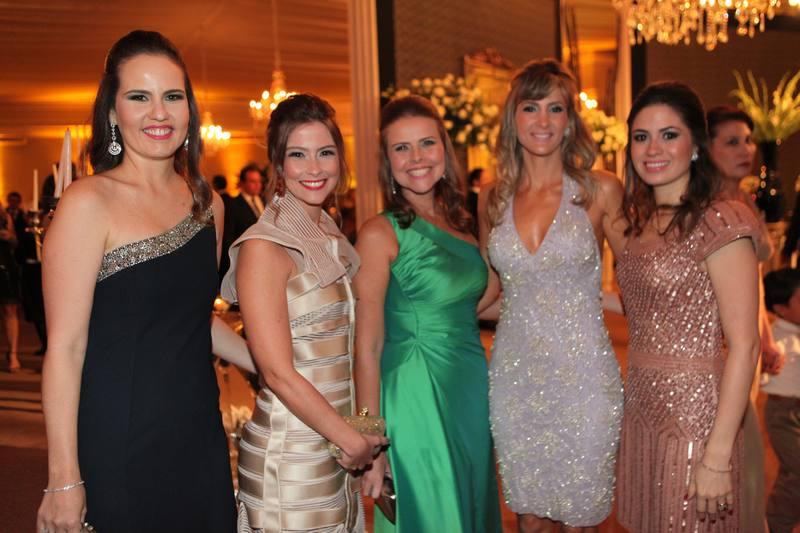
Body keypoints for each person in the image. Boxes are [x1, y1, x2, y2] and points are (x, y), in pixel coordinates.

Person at [36, 30, 254, 533]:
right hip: (118, 436)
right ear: (113, 112)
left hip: (198, 430)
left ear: (189, 109)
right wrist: (63, 478)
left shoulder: (209, 206)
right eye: (139, 96)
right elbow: (65, 348)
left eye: (172, 96)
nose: (160, 113)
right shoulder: (87, 202)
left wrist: (276, 367)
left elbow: (194, 320)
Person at [221, 93, 387, 532]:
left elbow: (348, 351)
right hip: (290, 460)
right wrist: (351, 439)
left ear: (341, 159)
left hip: (336, 447)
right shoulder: (264, 246)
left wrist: (365, 434)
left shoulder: (329, 232)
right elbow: (277, 373)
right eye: (298, 154)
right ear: (278, 163)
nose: (314, 168)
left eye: (325, 153)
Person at [481, 59, 624, 533]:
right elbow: (490, 291)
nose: (542, 120)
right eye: (530, 107)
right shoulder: (492, 197)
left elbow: (639, 277)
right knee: (530, 520)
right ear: (513, 117)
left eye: (555, 108)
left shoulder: (600, 189)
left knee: (582, 519)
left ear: (569, 121)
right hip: (515, 378)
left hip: (585, 376)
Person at [615, 82, 760, 532]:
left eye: (669, 135)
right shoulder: (641, 224)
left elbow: (746, 345)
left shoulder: (720, 220)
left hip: (696, 419)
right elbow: (649, 308)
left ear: (696, 144)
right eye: (641, 137)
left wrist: (717, 456)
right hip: (641, 410)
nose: (652, 149)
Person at [355, 95, 502, 532]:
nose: (416, 158)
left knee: (470, 505)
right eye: (401, 148)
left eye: (427, 143)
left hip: (469, 385)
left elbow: (476, 304)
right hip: (416, 391)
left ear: (445, 150)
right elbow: (367, 346)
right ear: (387, 162)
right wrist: (370, 440)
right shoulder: (380, 232)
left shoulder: (461, 224)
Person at [708, 105, 784, 532]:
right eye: (732, 141)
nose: (746, 150)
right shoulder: (707, 208)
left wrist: (767, 337)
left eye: (749, 140)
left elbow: (752, 282)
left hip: (750, 348)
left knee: (745, 461)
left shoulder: (745, 201)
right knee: (744, 461)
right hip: (723, 349)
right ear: (706, 148)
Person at [762, 268, 800, 533]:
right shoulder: (777, 339)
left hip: (796, 412)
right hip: (783, 414)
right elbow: (761, 371)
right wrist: (766, 366)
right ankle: (776, 525)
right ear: (781, 309)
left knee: (792, 473)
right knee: (797, 471)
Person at [221, 164, 263, 285]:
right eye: (253, 181)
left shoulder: (263, 201)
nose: (258, 185)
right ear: (243, 183)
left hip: (263, 260)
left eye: (259, 181)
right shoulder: (233, 205)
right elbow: (228, 237)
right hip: (244, 261)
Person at [0, 200, 20, 371]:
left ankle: (13, 354)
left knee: (10, 309)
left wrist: (10, 237)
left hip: (5, 266)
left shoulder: (4, 216)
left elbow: (15, 243)